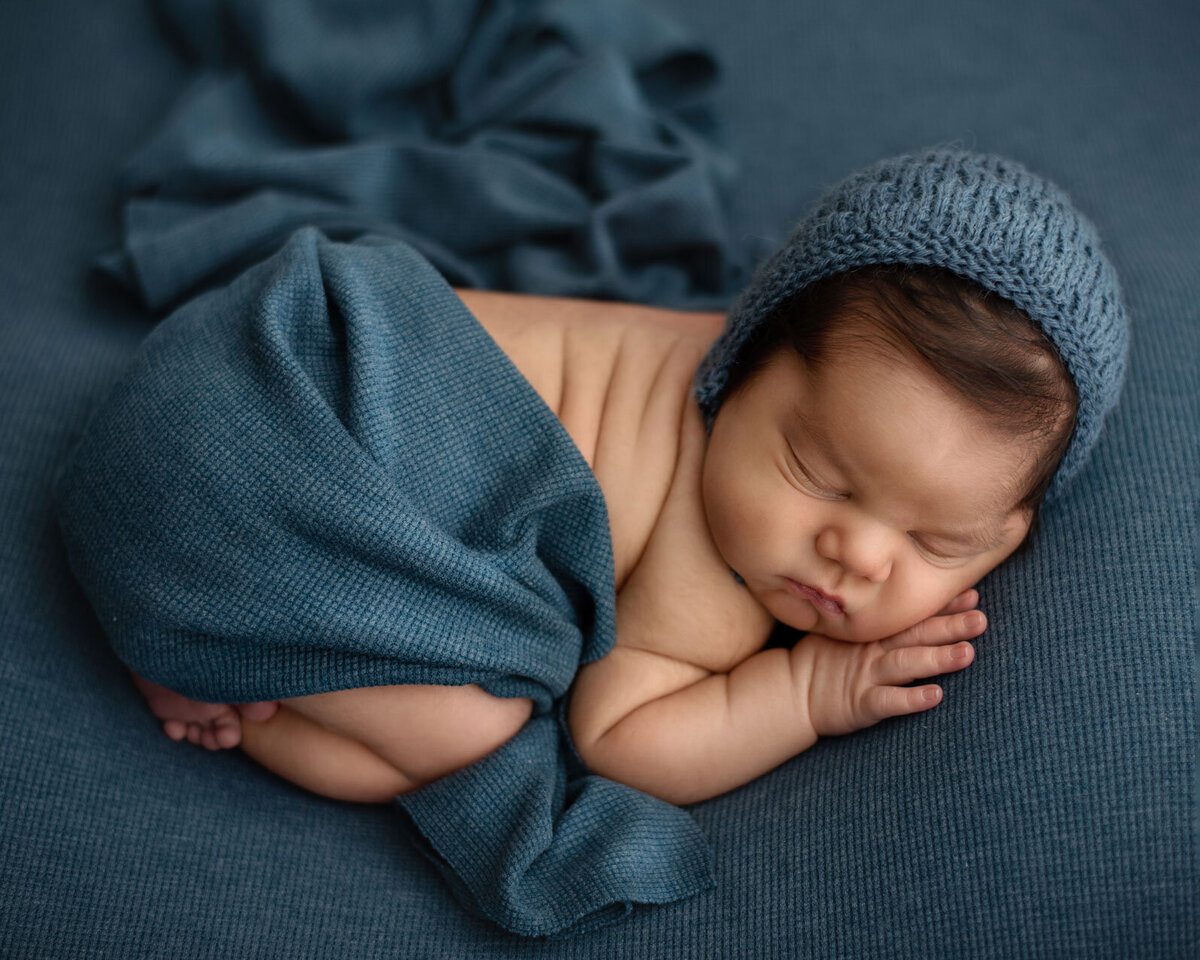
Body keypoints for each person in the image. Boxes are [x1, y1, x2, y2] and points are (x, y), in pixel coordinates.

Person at [128, 148, 1127, 807]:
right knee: (466, 731)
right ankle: (211, 669)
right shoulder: (718, 584)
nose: (857, 553)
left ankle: (194, 608)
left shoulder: (740, 361)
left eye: (938, 542)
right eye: (816, 471)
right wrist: (806, 694)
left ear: (1010, 535)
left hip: (243, 347)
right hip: (276, 448)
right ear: (745, 353)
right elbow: (620, 740)